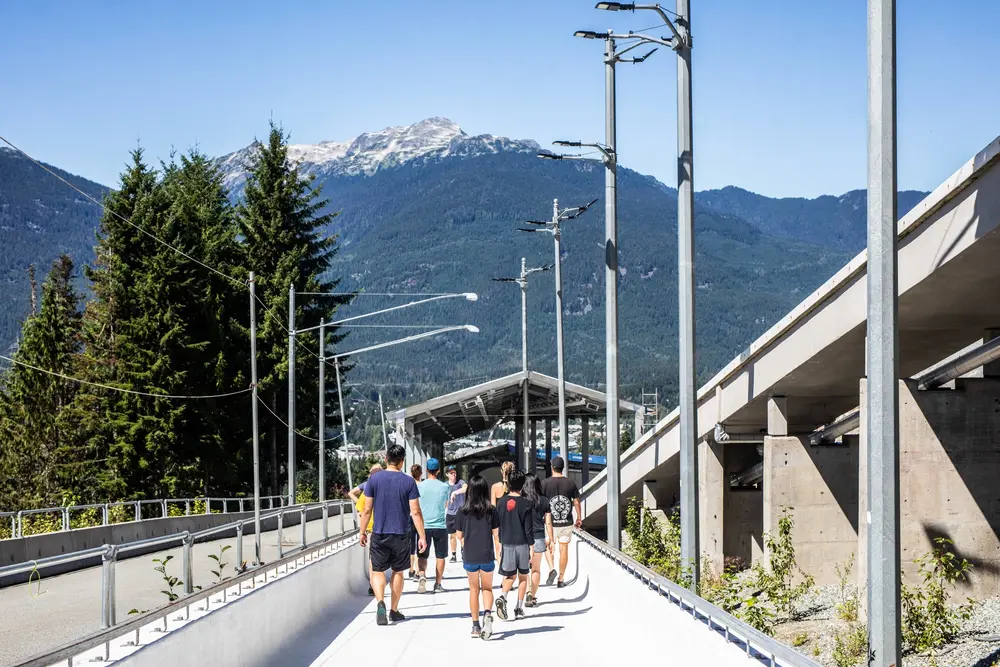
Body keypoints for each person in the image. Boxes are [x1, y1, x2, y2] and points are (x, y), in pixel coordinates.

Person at [359, 444, 426, 626]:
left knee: (378, 571)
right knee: (398, 571)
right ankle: (394, 611)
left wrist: (362, 532)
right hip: (401, 534)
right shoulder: (408, 482)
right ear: (402, 461)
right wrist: (422, 536)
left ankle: (380, 601)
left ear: (386, 458)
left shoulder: (374, 480)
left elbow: (366, 509)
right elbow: (416, 512)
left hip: (379, 533)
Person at [455, 475, 498, 640]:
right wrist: (499, 553)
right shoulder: (491, 510)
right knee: (487, 588)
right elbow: (496, 534)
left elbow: (459, 535)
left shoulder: (462, 511)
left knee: (474, 590)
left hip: (470, 555)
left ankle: (475, 625)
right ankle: (487, 613)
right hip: (487, 554)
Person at [494, 470, 533, 621]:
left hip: (507, 543)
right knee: (523, 577)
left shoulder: (501, 502)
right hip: (522, 543)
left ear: (508, 483)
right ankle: (518, 608)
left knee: (509, 575)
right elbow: (528, 529)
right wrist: (531, 548)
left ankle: (503, 596)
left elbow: (498, 525)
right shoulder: (526, 504)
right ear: (523, 485)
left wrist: (499, 542)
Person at [541, 456, 581, 588]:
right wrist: (579, 518)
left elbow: (541, 502)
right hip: (566, 522)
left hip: (550, 522)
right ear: (562, 468)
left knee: (548, 546)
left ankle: (552, 568)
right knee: (564, 549)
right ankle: (561, 578)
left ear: (552, 467)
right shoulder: (570, 483)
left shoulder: (544, 483)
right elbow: (576, 502)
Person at [416, 458, 450, 593]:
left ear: (426, 470)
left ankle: (422, 575)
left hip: (424, 526)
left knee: (422, 555)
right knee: (440, 556)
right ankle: (438, 584)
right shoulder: (445, 487)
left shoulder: (419, 486)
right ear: (439, 470)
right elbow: (446, 505)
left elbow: (415, 506)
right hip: (440, 525)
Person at [522, 472, 553, 607]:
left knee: (524, 569)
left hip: (523, 537)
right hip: (539, 536)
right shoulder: (544, 501)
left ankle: (527, 591)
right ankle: (532, 596)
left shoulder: (521, 500)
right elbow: (548, 523)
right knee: (536, 569)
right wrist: (551, 539)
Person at [352, 465, 382, 595]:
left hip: (371, 530)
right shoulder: (387, 490)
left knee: (373, 559)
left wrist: (362, 532)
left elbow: (363, 511)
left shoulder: (366, 492)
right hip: (386, 529)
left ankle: (372, 585)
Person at [490, 461, 514, 559]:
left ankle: (502, 569)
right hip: (513, 521)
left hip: (499, 522)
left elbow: (493, 507)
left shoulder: (495, 487)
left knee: (498, 548)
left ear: (501, 471)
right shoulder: (515, 487)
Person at [445, 465, 467, 563]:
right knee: (452, 535)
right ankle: (453, 555)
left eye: (454, 472)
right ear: (447, 474)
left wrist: (455, 492)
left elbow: (465, 488)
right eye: (451, 473)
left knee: (461, 535)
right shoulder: (445, 485)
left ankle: (464, 551)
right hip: (450, 513)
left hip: (460, 513)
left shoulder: (460, 483)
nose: (453, 474)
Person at [408, 464, 423, 581]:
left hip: (408, 517)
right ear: (421, 474)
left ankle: (411, 569)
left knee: (411, 545)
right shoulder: (422, 486)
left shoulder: (407, 485)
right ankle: (418, 571)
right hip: (419, 516)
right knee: (420, 543)